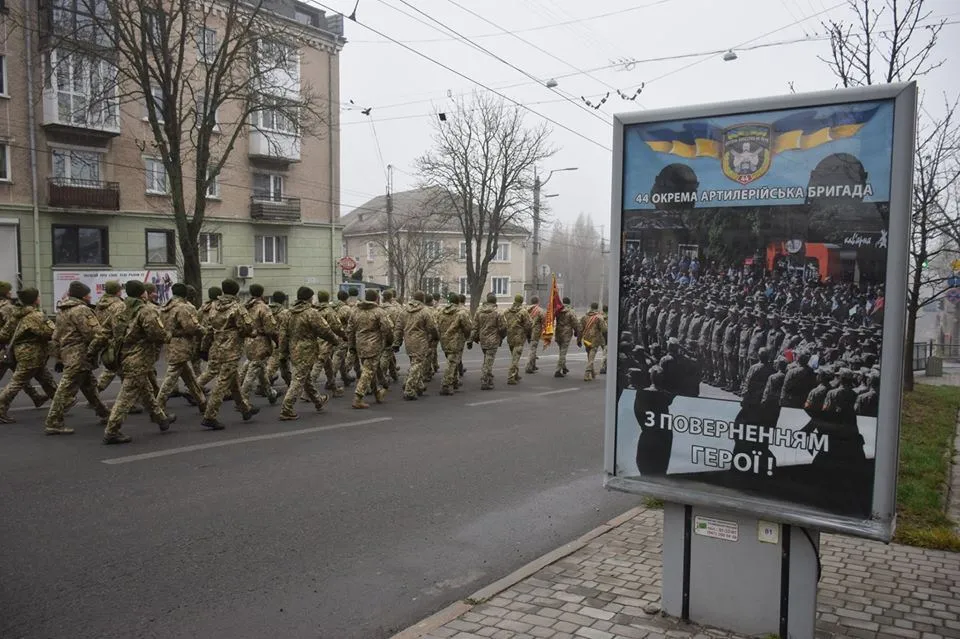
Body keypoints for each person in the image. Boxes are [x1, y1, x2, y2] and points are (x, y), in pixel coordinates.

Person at [102, 280, 176, 444]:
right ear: (143, 293)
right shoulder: (146, 310)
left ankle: (160, 419)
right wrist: (169, 334)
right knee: (126, 396)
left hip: (122, 356)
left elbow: (104, 331)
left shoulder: (119, 308)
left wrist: (93, 351)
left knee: (146, 390)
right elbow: (157, 333)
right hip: (139, 358)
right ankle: (112, 430)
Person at [44, 281, 111, 434]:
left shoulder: (62, 310)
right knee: (65, 389)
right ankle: (53, 422)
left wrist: (58, 357)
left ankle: (104, 413)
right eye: (88, 294)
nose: (90, 296)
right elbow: (93, 333)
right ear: (83, 295)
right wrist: (106, 339)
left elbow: (56, 335)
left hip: (68, 353)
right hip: (80, 355)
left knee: (89, 387)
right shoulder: (81, 310)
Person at [200, 279, 258, 430]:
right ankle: (209, 416)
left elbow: (208, 330)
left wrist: (204, 348)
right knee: (222, 384)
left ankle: (245, 409)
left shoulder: (213, 306)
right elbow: (246, 327)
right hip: (231, 350)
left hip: (216, 348)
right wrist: (252, 333)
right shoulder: (237, 308)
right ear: (236, 291)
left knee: (233, 382)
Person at [279, 287, 340, 421]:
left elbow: (283, 335)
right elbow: (324, 330)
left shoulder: (288, 313)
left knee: (305, 377)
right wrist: (335, 340)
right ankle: (286, 408)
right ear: (308, 298)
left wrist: (283, 352)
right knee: (299, 379)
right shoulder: (311, 313)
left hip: (293, 349)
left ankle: (318, 401)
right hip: (307, 350)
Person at [0, 288, 58, 423]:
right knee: (18, 382)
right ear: (35, 299)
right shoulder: (36, 315)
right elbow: (50, 333)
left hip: (21, 352)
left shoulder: (16, 314)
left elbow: (4, 335)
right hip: (33, 353)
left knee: (45, 377)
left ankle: (61, 402)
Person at [157, 283, 206, 414]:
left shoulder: (165, 307)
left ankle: (202, 403)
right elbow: (190, 327)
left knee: (189, 378)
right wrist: (206, 332)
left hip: (171, 344)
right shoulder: (183, 308)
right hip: (181, 345)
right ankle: (157, 407)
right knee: (170, 379)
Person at [348, 289, 392, 408]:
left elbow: (350, 330)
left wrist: (351, 346)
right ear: (376, 298)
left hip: (360, 345)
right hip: (373, 345)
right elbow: (387, 328)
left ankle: (377, 393)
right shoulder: (379, 312)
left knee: (370, 368)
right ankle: (358, 397)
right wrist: (389, 341)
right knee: (368, 371)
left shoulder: (355, 311)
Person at [393, 291, 439, 401]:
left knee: (414, 362)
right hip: (421, 340)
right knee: (417, 364)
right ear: (423, 299)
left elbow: (398, 327)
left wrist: (397, 342)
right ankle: (409, 387)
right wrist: (435, 336)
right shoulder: (425, 311)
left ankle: (419, 385)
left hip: (408, 340)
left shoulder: (404, 311)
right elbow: (431, 327)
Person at [241, 283, 279, 405]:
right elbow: (270, 329)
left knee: (260, 368)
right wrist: (277, 341)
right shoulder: (263, 307)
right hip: (260, 343)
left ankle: (270, 393)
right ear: (262, 293)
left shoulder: (245, 307)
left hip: (248, 341)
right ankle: (243, 400)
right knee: (253, 371)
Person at [437, 292, 472, 396]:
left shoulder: (441, 311)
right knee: (452, 363)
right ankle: (446, 385)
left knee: (453, 361)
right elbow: (467, 327)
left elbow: (437, 324)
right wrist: (466, 336)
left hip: (444, 340)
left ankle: (455, 381)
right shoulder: (461, 313)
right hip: (456, 341)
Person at [313, 291, 347, 397]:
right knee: (319, 365)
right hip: (325, 341)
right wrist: (343, 336)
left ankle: (333, 387)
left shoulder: (313, 310)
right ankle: (307, 391)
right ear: (327, 299)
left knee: (328, 365)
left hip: (314, 340)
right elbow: (336, 327)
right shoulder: (328, 311)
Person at [94, 280, 125, 393]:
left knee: (112, 368)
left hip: (103, 338)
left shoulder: (100, 304)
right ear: (118, 291)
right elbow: (118, 326)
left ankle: (95, 392)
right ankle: (128, 402)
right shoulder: (119, 305)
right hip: (115, 341)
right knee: (122, 370)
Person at [471, 293, 506, 390]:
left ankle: (488, 376)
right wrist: (502, 336)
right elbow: (503, 327)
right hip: (493, 339)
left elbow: (475, 326)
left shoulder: (479, 311)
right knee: (489, 360)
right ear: (495, 302)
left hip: (483, 339)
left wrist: (473, 338)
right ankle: (485, 380)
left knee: (487, 359)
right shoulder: (498, 312)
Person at [502, 294, 532, 385]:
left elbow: (504, 323)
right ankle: (511, 377)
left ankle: (516, 374)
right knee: (515, 358)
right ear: (521, 301)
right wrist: (529, 335)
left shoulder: (507, 311)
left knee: (514, 356)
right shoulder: (523, 312)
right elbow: (528, 325)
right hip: (519, 337)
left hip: (510, 337)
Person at [196, 286, 222, 388]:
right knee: (214, 368)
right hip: (218, 341)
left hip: (205, 339)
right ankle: (194, 389)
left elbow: (197, 324)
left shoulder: (203, 308)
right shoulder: (220, 307)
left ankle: (228, 391)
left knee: (222, 367)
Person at [266, 291, 292, 390]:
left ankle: (289, 383)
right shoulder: (284, 313)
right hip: (281, 340)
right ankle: (264, 384)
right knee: (278, 363)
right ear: (283, 300)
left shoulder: (267, 310)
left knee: (279, 363)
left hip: (268, 340)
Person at [579, 302, 607, 382]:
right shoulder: (599, 317)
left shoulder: (584, 317)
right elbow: (604, 329)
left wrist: (579, 340)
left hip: (586, 339)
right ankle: (587, 373)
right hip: (595, 339)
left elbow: (580, 329)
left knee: (589, 355)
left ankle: (593, 373)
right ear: (597, 308)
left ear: (590, 307)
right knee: (592, 357)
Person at [332, 290, 355, 386]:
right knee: (338, 357)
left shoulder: (332, 306)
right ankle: (331, 379)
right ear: (347, 298)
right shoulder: (345, 308)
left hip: (332, 335)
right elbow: (351, 321)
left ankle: (345, 377)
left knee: (341, 357)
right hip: (342, 336)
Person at [379, 290, 402, 384]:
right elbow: (398, 324)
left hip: (377, 335)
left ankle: (393, 373)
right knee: (386, 354)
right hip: (390, 334)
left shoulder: (378, 308)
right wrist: (398, 339)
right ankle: (382, 375)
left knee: (388, 354)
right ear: (391, 297)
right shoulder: (395, 309)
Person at [554, 298, 579, 378]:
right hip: (566, 333)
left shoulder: (558, 310)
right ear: (569, 302)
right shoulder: (571, 311)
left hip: (558, 332)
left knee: (561, 350)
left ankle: (564, 367)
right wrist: (577, 331)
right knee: (563, 352)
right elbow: (575, 322)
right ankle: (558, 370)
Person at [525, 296, 545, 375]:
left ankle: (533, 365)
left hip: (527, 331)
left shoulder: (526, 310)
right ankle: (529, 367)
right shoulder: (539, 310)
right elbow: (544, 320)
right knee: (533, 349)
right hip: (535, 331)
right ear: (538, 301)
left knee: (532, 347)